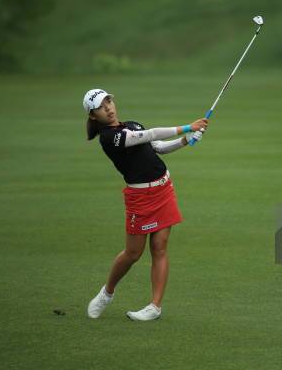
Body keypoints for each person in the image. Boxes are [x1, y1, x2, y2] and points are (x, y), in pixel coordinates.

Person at [83, 88, 208, 321]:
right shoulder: (110, 138)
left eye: (109, 101)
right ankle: (107, 292)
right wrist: (187, 126)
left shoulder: (131, 124)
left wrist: (185, 140)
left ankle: (155, 307)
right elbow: (149, 135)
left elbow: (157, 146)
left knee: (160, 247)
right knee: (133, 253)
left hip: (164, 189)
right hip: (140, 198)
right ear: (93, 116)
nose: (108, 108)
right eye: (101, 106)